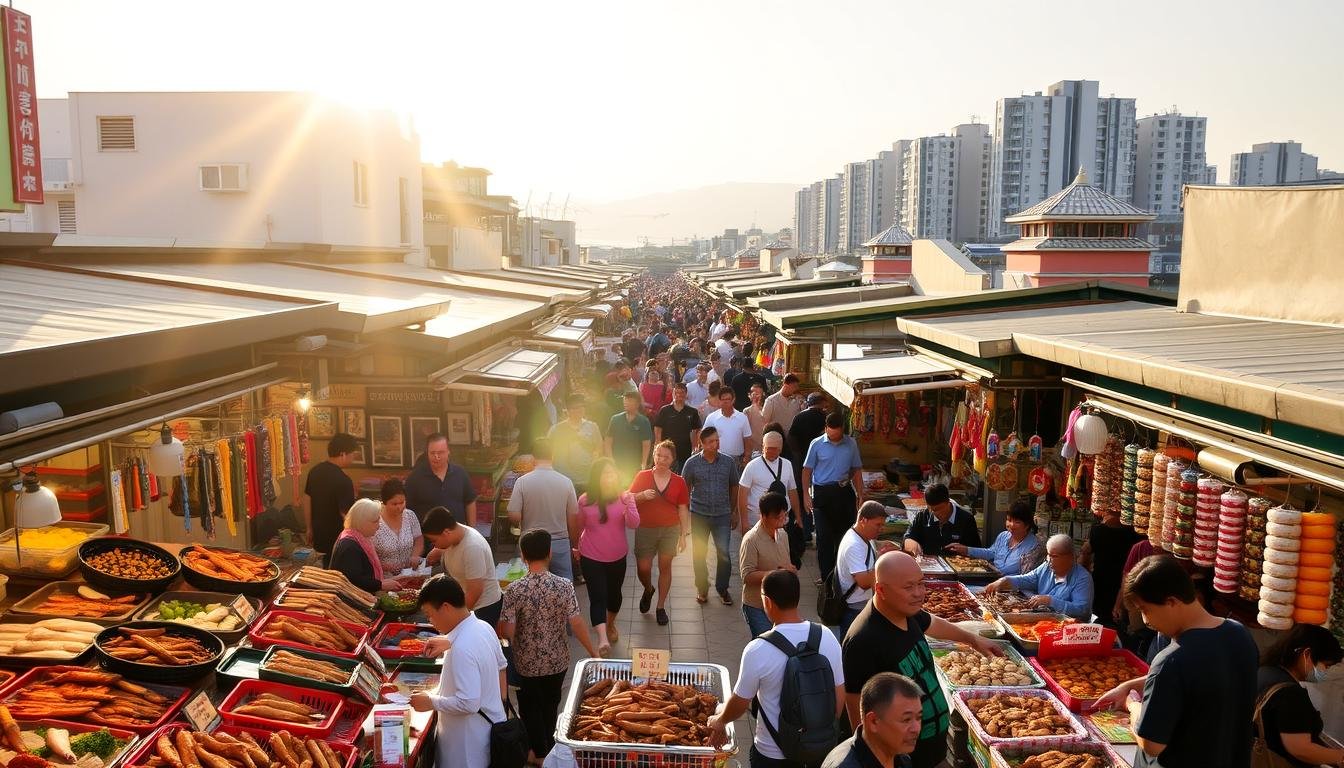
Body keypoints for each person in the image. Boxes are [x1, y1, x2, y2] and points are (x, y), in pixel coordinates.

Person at [1095, 554, 1258, 768]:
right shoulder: (1239, 634)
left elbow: (1151, 744)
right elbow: (1200, 679)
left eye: (1145, 610)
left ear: (1171, 602)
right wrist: (1128, 685)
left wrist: (1132, 704)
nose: (1146, 621)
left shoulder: (1170, 660)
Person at [842, 552, 1003, 768]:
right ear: (881, 590)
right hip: (903, 758)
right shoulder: (863, 639)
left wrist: (973, 639)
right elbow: (855, 704)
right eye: (908, 587)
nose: (919, 593)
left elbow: (932, 623)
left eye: (921, 584)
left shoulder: (907, 611)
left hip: (933, 748)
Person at [707, 569, 845, 768]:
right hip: (819, 749)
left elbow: (740, 701)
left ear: (768, 602)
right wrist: (817, 733)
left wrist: (720, 721)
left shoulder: (758, 649)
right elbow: (838, 694)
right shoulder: (826, 636)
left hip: (772, 753)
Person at [500, 529, 600, 764]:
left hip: (526, 664)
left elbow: (508, 631)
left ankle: (540, 752)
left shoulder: (515, 589)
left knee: (529, 707)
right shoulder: (564, 585)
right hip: (558, 661)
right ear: (549, 553)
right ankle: (551, 744)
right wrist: (593, 652)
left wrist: (508, 638)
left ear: (523, 556)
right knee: (551, 703)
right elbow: (576, 623)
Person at [409, 574, 508, 768]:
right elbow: (502, 666)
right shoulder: (484, 627)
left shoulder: (462, 648)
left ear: (445, 607)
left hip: (466, 748)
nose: (431, 621)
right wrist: (497, 704)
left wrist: (431, 701)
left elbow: (469, 703)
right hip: (488, 732)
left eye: (430, 614)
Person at [1254, 623, 1344, 767]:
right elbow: (1301, 749)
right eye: (1326, 665)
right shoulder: (1290, 694)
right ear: (1307, 655)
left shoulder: (1265, 671)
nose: (1325, 672)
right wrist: (1340, 757)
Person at [576, 458, 640, 655]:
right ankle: (602, 639)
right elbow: (579, 526)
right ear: (597, 477)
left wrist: (630, 503)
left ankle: (610, 624)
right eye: (605, 473)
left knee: (614, 596)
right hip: (591, 556)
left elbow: (634, 523)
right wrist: (576, 547)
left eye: (612, 473)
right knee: (598, 597)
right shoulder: (585, 500)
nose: (609, 477)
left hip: (617, 556)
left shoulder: (623, 497)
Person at [629, 440, 691, 626]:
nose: (662, 460)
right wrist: (641, 496)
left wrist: (683, 534)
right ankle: (648, 589)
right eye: (659, 455)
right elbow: (627, 498)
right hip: (645, 528)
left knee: (665, 565)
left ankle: (660, 607)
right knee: (644, 568)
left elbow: (682, 509)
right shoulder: (642, 476)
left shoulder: (679, 481)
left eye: (666, 457)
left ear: (673, 459)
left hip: (670, 529)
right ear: (653, 456)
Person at [802, 412, 865, 584]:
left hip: (843, 493)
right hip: (822, 494)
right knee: (823, 537)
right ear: (825, 428)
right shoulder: (816, 444)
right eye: (830, 433)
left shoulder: (851, 443)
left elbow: (857, 470)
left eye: (836, 434)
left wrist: (861, 495)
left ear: (842, 430)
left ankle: (842, 576)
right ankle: (826, 577)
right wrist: (806, 495)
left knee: (844, 537)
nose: (833, 436)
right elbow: (806, 471)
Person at [507, 437, 581, 582]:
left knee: (531, 586)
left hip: (531, 542)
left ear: (533, 458)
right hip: (560, 543)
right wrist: (574, 545)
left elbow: (514, 516)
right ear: (553, 456)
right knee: (564, 585)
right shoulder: (566, 482)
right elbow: (573, 519)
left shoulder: (522, 482)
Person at [682, 426, 741, 606]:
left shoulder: (728, 462)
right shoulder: (691, 463)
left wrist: (734, 511)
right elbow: (684, 490)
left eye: (717, 440)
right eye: (711, 442)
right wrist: (684, 517)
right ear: (702, 444)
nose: (715, 444)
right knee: (699, 554)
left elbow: (734, 487)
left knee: (724, 553)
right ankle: (702, 587)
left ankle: (722, 589)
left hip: (722, 515)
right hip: (699, 515)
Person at [422, 506, 504, 628]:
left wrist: (456, 620)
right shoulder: (455, 532)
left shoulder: (472, 547)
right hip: (465, 600)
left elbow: (475, 591)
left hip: (482, 608)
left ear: (446, 532)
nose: (434, 545)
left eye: (434, 541)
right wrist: (438, 551)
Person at [982, 534, 1094, 621]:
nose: (1049, 560)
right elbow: (1027, 579)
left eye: (1054, 556)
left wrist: (1050, 601)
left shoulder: (1083, 579)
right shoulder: (1046, 566)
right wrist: (1004, 580)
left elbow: (1082, 611)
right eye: (1048, 555)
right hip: (1040, 620)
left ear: (1070, 557)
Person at [822, 673, 922, 768]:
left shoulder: (901, 759)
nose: (916, 728)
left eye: (918, 718)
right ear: (873, 721)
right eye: (906, 719)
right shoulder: (844, 765)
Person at [836, 501, 898, 636]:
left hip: (861, 604)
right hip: (855, 608)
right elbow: (863, 582)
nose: (881, 529)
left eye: (883, 525)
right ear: (863, 520)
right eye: (878, 525)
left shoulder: (862, 536)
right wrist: (882, 560)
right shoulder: (853, 545)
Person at [739, 492, 796, 637]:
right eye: (777, 517)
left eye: (784, 516)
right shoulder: (751, 540)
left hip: (781, 605)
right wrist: (777, 573)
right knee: (767, 643)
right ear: (763, 516)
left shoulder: (783, 535)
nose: (782, 520)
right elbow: (747, 576)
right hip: (757, 606)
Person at [1081, 503, 1143, 629]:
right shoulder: (1135, 534)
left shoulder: (1098, 530)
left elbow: (1085, 555)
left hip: (1101, 581)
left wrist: (1085, 575)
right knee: (1117, 622)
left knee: (1099, 621)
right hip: (1122, 583)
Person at [945, 499, 1042, 576]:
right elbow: (991, 553)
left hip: (1015, 589)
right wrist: (966, 549)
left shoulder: (1033, 546)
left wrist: (1005, 582)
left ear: (1027, 524)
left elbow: (1028, 578)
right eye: (1009, 520)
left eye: (1017, 522)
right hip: (993, 579)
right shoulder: (1003, 536)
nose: (1011, 525)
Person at [302, 432, 357, 566]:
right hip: (338, 538)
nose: (353, 459)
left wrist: (309, 528)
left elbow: (307, 499)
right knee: (338, 574)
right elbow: (346, 515)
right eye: (353, 455)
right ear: (343, 454)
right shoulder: (343, 480)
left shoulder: (314, 471)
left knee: (325, 569)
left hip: (319, 534)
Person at [329, 499, 403, 594]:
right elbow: (354, 580)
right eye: (375, 522)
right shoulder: (349, 546)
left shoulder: (359, 538)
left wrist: (387, 580)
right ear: (362, 522)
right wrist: (381, 585)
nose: (378, 526)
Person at [405, 433, 478, 526]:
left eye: (440, 452)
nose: (436, 457)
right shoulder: (415, 478)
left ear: (448, 451)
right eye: (432, 453)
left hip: (457, 536)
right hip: (427, 537)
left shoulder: (460, 473)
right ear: (427, 453)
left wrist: (472, 531)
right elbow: (407, 510)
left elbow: (470, 502)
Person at [738, 431, 802, 532]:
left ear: (780, 449)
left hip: (782, 522)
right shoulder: (752, 466)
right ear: (763, 447)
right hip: (756, 522)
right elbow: (742, 494)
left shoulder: (787, 465)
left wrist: (798, 516)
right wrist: (744, 522)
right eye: (768, 448)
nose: (771, 452)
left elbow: (792, 491)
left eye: (775, 449)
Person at [788, 393, 828, 543]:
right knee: (816, 495)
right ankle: (819, 529)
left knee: (802, 494)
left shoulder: (799, 417)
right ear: (822, 402)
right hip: (822, 463)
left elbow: (791, 439)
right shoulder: (825, 418)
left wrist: (799, 454)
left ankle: (805, 531)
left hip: (802, 463)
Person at [902, 484, 981, 558]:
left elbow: (976, 549)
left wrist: (965, 549)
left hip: (958, 566)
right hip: (930, 565)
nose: (936, 513)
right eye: (932, 509)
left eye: (939, 509)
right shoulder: (922, 516)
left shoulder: (966, 519)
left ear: (948, 502)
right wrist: (910, 542)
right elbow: (908, 536)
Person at [547, 393, 603, 496]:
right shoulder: (556, 429)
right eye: (575, 408)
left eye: (581, 406)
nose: (579, 410)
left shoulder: (592, 427)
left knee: (584, 507)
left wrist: (594, 463)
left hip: (586, 478)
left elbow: (599, 448)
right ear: (567, 410)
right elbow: (547, 451)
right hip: (563, 478)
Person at [372, 477, 424, 576]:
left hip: (410, 574)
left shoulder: (410, 515)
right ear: (385, 502)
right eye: (394, 504)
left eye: (402, 502)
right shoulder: (375, 520)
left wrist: (415, 556)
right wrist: (385, 566)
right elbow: (368, 554)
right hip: (384, 577)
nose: (399, 507)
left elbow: (419, 539)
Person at [605, 391, 653, 485]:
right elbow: (608, 441)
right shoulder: (615, 419)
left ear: (637, 404)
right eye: (625, 400)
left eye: (629, 400)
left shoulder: (644, 421)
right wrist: (611, 460)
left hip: (634, 465)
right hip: (617, 464)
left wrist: (643, 465)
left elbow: (646, 445)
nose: (626, 403)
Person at [654, 381, 701, 472]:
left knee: (683, 477)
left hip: (685, 451)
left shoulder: (692, 412)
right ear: (673, 393)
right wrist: (658, 444)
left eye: (682, 392)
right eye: (676, 392)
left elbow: (697, 430)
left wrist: (695, 447)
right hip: (667, 451)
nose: (679, 395)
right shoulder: (665, 410)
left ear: (686, 394)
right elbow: (658, 428)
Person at [704, 387, 754, 465]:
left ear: (733, 400)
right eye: (723, 399)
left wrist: (747, 457)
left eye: (728, 399)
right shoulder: (711, 418)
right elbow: (704, 438)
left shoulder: (742, 418)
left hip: (737, 460)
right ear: (719, 401)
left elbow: (747, 439)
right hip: (717, 460)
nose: (726, 402)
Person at [744, 383, 768, 452]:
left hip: (765, 446)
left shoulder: (767, 409)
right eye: (754, 394)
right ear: (749, 395)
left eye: (759, 394)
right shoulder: (746, 411)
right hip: (753, 449)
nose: (757, 396)